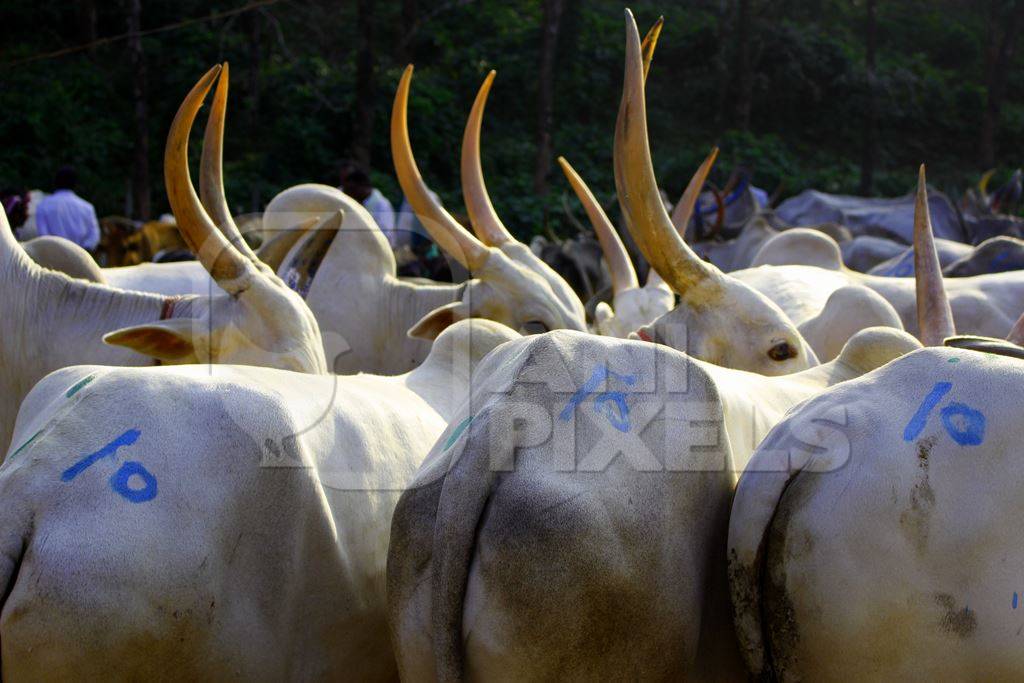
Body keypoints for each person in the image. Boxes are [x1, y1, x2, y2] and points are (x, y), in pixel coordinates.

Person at [34, 166, 100, 251]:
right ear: (75, 184)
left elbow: (43, 236)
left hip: (53, 258)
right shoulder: (87, 207)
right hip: (80, 259)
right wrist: (81, 253)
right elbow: (94, 236)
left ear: (55, 182)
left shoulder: (43, 206)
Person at [338, 160, 396, 245]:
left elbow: (386, 236)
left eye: (350, 191)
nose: (349, 196)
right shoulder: (349, 197)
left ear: (359, 188)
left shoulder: (381, 205)